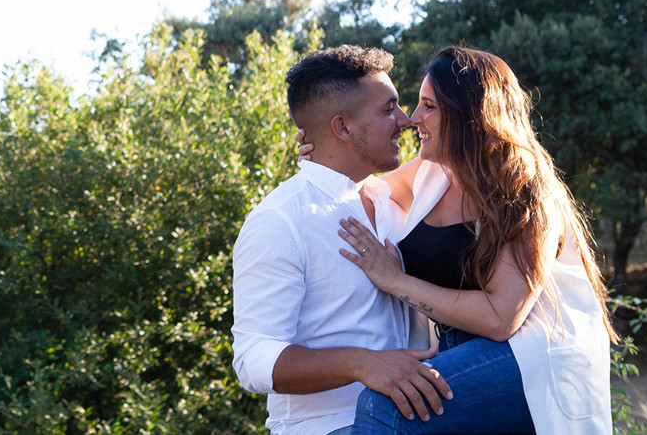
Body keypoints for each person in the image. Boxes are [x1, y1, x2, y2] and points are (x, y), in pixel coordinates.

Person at [332, 45, 616, 433]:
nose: (415, 119)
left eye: (429, 106)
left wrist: (395, 281)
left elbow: (503, 319)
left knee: (386, 405)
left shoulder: (526, 189)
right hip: (457, 348)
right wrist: (324, 148)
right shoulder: (433, 172)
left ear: (470, 114)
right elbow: (365, 186)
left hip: (529, 354)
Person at [232, 45, 453, 435]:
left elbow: (471, 148)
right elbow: (253, 359)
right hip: (329, 426)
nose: (405, 121)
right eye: (389, 109)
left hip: (414, 421)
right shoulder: (280, 220)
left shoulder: (394, 201)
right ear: (343, 128)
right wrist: (364, 363)